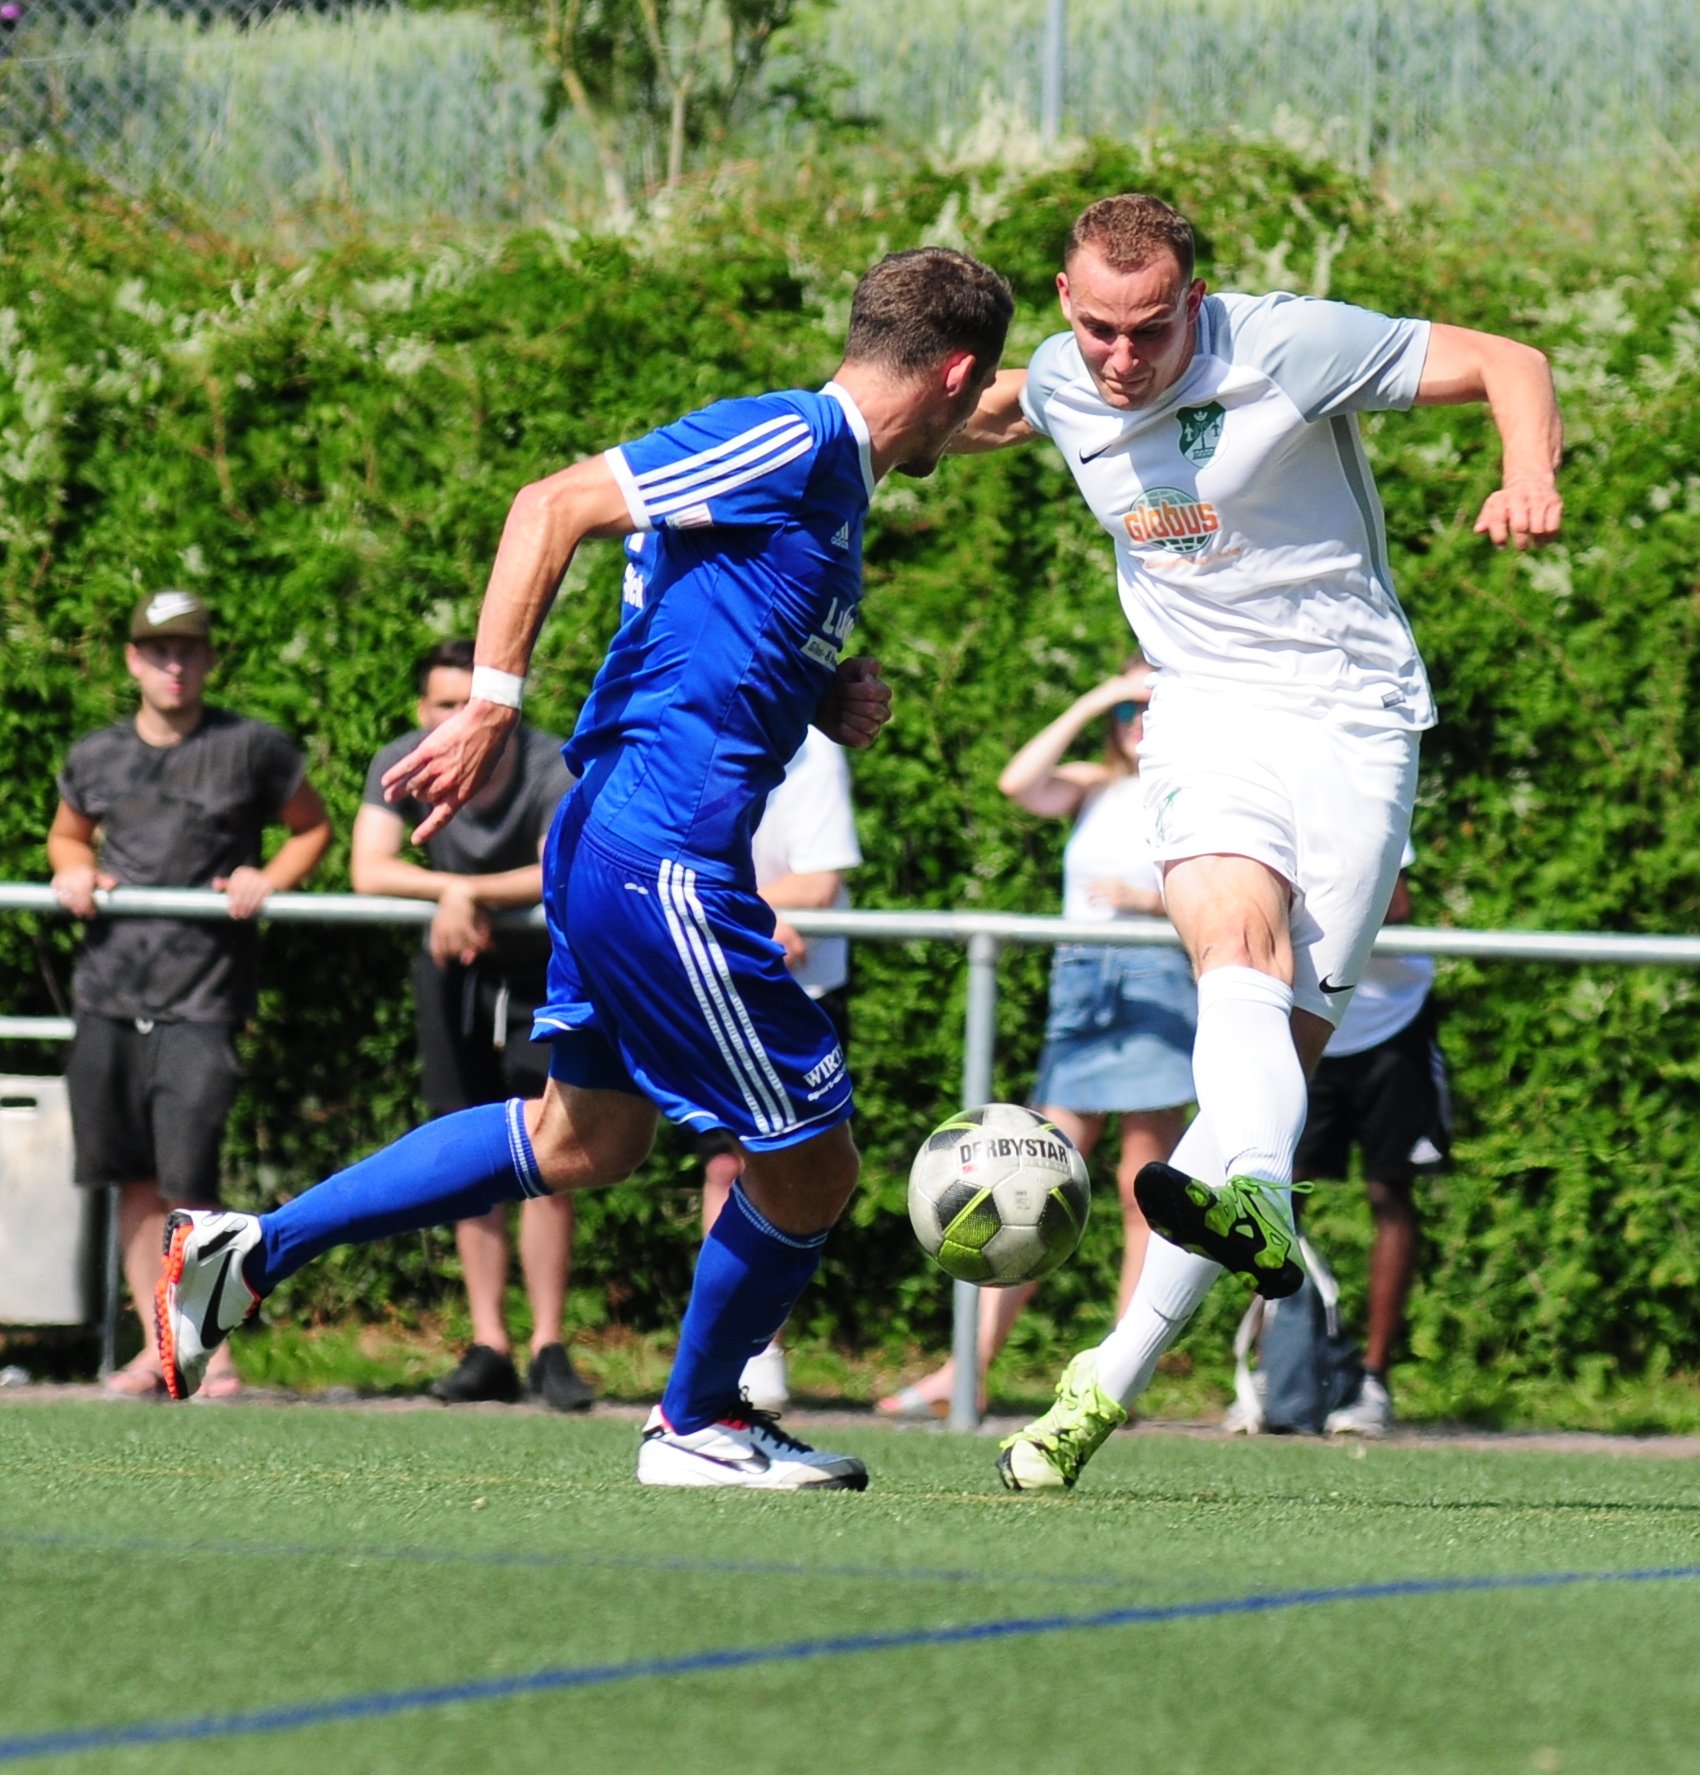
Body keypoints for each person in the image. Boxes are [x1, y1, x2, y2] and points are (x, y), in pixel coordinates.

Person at [154, 247, 1014, 1492]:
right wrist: (493, 705)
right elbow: (550, 504)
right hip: (658, 855)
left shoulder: (829, 477)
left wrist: (819, 685)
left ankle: (248, 1248)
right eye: (980, 394)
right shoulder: (792, 439)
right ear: (951, 371)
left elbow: (701, 615)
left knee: (584, 1137)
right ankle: (698, 1420)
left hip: (621, 841)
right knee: (815, 1160)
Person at [952, 190, 1561, 1490]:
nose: (1124, 359)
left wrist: (1529, 471)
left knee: (1258, 1071)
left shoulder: (1287, 346)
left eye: (1153, 329)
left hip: (1354, 723)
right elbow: (954, 411)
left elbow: (1514, 363)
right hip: (1205, 711)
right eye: (1101, 329)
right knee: (1234, 948)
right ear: (1065, 304)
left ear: (1198, 303)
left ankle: (1103, 1377)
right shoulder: (1063, 380)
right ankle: (1266, 1200)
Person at [876, 657, 1195, 1420]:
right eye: (1131, 712)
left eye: (1152, 706)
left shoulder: (1192, 792)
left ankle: (1122, 1374)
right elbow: (1017, 783)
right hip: (1082, 986)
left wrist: (1145, 904)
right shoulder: (1094, 784)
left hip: (1156, 981)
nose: (1138, 723)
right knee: (1031, 1173)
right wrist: (1101, 697)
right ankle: (970, 1367)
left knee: (1139, 1190)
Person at [47, 590, 332, 1399]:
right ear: (133, 659)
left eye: (189, 650)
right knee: (130, 1178)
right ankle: (160, 1347)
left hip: (203, 996)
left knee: (190, 1183)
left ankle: (215, 1357)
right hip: (107, 991)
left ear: (209, 659)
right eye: (157, 651)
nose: (174, 665)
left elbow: (311, 827)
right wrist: (72, 867)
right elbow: (67, 831)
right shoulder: (96, 753)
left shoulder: (251, 746)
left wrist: (265, 876)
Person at [351, 638, 593, 1413]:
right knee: (462, 1150)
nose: (457, 718)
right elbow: (369, 868)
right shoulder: (400, 758)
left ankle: (548, 1344)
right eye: (443, 706)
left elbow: (559, 866)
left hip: (544, 968)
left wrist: (461, 894)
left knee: (550, 1153)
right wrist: (457, 898)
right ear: (422, 713)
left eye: (472, 703)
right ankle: (488, 1340)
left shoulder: (553, 760)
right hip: (453, 966)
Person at [695, 725, 862, 1415]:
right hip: (715, 978)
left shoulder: (814, 751)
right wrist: (751, 921)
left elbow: (820, 881)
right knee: (723, 1169)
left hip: (801, 995)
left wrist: (744, 917)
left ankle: (750, 1349)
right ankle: (732, 1358)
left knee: (803, 1172)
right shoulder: (695, 730)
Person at [1303, 854, 1449, 1437]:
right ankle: (1280, 1371)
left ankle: (1372, 1381)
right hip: (1308, 1023)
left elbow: (1395, 903)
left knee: (1389, 1191)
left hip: (1392, 1024)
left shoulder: (1369, 780)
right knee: (1272, 1197)